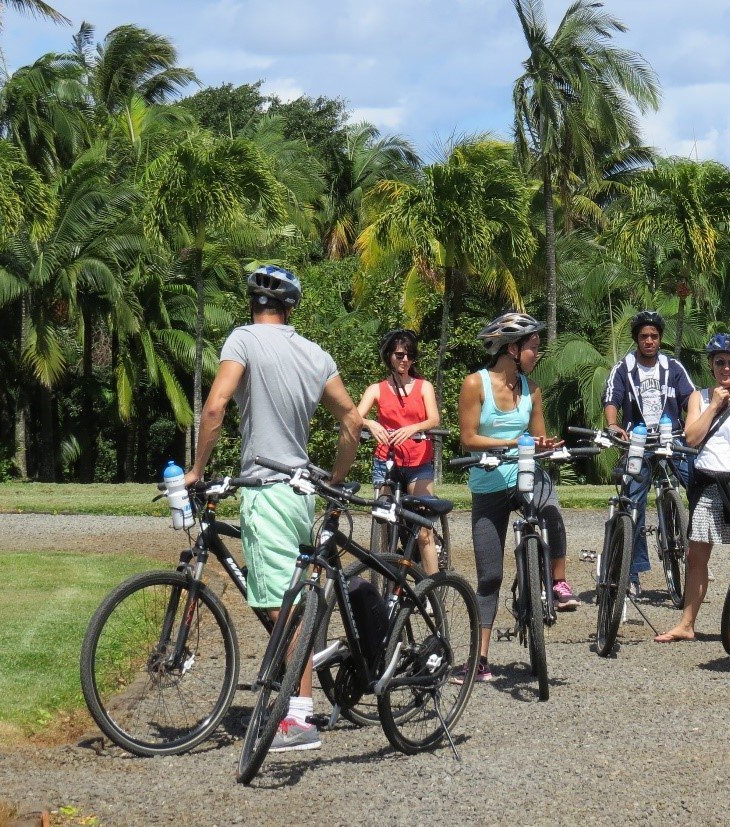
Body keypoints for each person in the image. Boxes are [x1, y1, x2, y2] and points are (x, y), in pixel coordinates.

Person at [185, 264, 362, 752]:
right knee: (289, 599)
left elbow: (216, 407)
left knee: (280, 606)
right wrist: (337, 479)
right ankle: (301, 668)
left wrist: (197, 470)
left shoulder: (242, 340)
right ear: (290, 309)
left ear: (252, 305)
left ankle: (299, 717)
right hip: (301, 492)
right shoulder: (315, 354)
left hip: (267, 492)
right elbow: (351, 419)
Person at [456, 311, 579, 684]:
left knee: (551, 511)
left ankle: (557, 583)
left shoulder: (532, 388)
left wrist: (546, 445)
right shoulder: (475, 384)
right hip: (489, 483)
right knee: (489, 576)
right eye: (532, 347)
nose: (536, 354)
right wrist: (513, 441)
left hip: (526, 474)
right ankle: (479, 659)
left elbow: (538, 437)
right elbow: (468, 438)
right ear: (511, 348)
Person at [654, 333, 730, 644]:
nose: (726, 368)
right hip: (707, 481)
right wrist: (713, 406)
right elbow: (692, 437)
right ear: (711, 365)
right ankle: (687, 624)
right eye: (720, 362)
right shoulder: (698, 397)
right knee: (696, 556)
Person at [602, 310, 696, 594]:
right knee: (632, 502)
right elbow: (612, 397)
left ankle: (696, 555)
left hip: (671, 438)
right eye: (644, 336)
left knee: (700, 486)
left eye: (654, 336)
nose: (649, 341)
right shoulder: (623, 368)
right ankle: (632, 572)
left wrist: (694, 423)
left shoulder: (673, 367)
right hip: (638, 442)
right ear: (636, 339)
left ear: (660, 338)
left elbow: (691, 397)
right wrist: (613, 425)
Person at [357, 328, 442, 573]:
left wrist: (413, 428)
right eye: (400, 355)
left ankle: (433, 586)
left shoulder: (423, 387)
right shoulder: (376, 389)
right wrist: (370, 423)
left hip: (418, 462)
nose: (405, 360)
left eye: (410, 356)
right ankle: (386, 581)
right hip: (387, 460)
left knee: (423, 530)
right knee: (383, 525)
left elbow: (434, 419)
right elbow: (354, 416)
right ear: (389, 357)